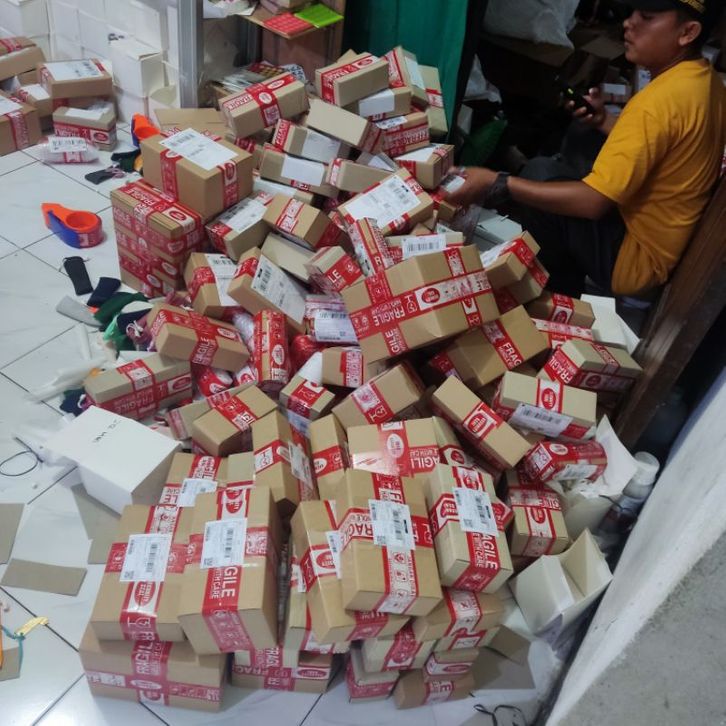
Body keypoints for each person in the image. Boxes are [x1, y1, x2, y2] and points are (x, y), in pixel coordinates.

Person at [448, 0, 726, 298]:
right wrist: (602, 120)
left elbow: (593, 203)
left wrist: (498, 182)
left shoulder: (658, 103)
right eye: (632, 12)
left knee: (538, 174)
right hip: (655, 233)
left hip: (636, 262)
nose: (628, 23)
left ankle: (553, 296)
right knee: (582, 135)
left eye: (646, 17)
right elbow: (661, 145)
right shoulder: (703, 80)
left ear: (687, 32)